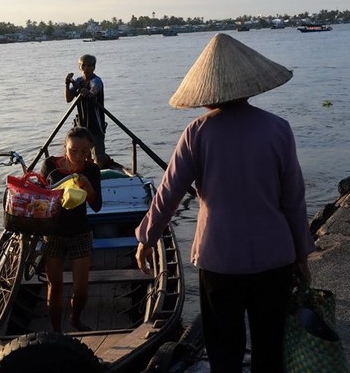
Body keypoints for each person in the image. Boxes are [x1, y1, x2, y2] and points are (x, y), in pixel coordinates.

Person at [134, 33, 316, 372]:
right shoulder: (279, 128)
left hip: (220, 260)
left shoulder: (197, 133)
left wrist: (147, 237)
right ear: (249, 86)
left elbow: (168, 193)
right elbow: (294, 199)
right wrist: (302, 253)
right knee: (270, 346)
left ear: (207, 93)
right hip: (274, 257)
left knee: (224, 349)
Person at [40, 126, 102, 332]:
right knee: (55, 286)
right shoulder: (50, 166)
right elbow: (39, 197)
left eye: (85, 152)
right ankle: (56, 331)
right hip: (53, 234)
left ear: (90, 151)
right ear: (64, 147)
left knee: (81, 289)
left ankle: (75, 319)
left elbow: (96, 205)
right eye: (73, 150)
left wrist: (88, 187)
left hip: (80, 232)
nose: (78, 156)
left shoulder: (92, 170)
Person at [64, 54, 111, 169]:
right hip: (82, 124)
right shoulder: (78, 81)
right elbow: (68, 99)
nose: (86, 69)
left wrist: (89, 92)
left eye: (90, 66)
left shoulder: (96, 80)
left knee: (98, 155)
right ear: (79, 67)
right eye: (83, 66)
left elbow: (95, 89)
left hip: (96, 124)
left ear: (94, 67)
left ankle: (97, 173)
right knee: (82, 153)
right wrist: (67, 84)